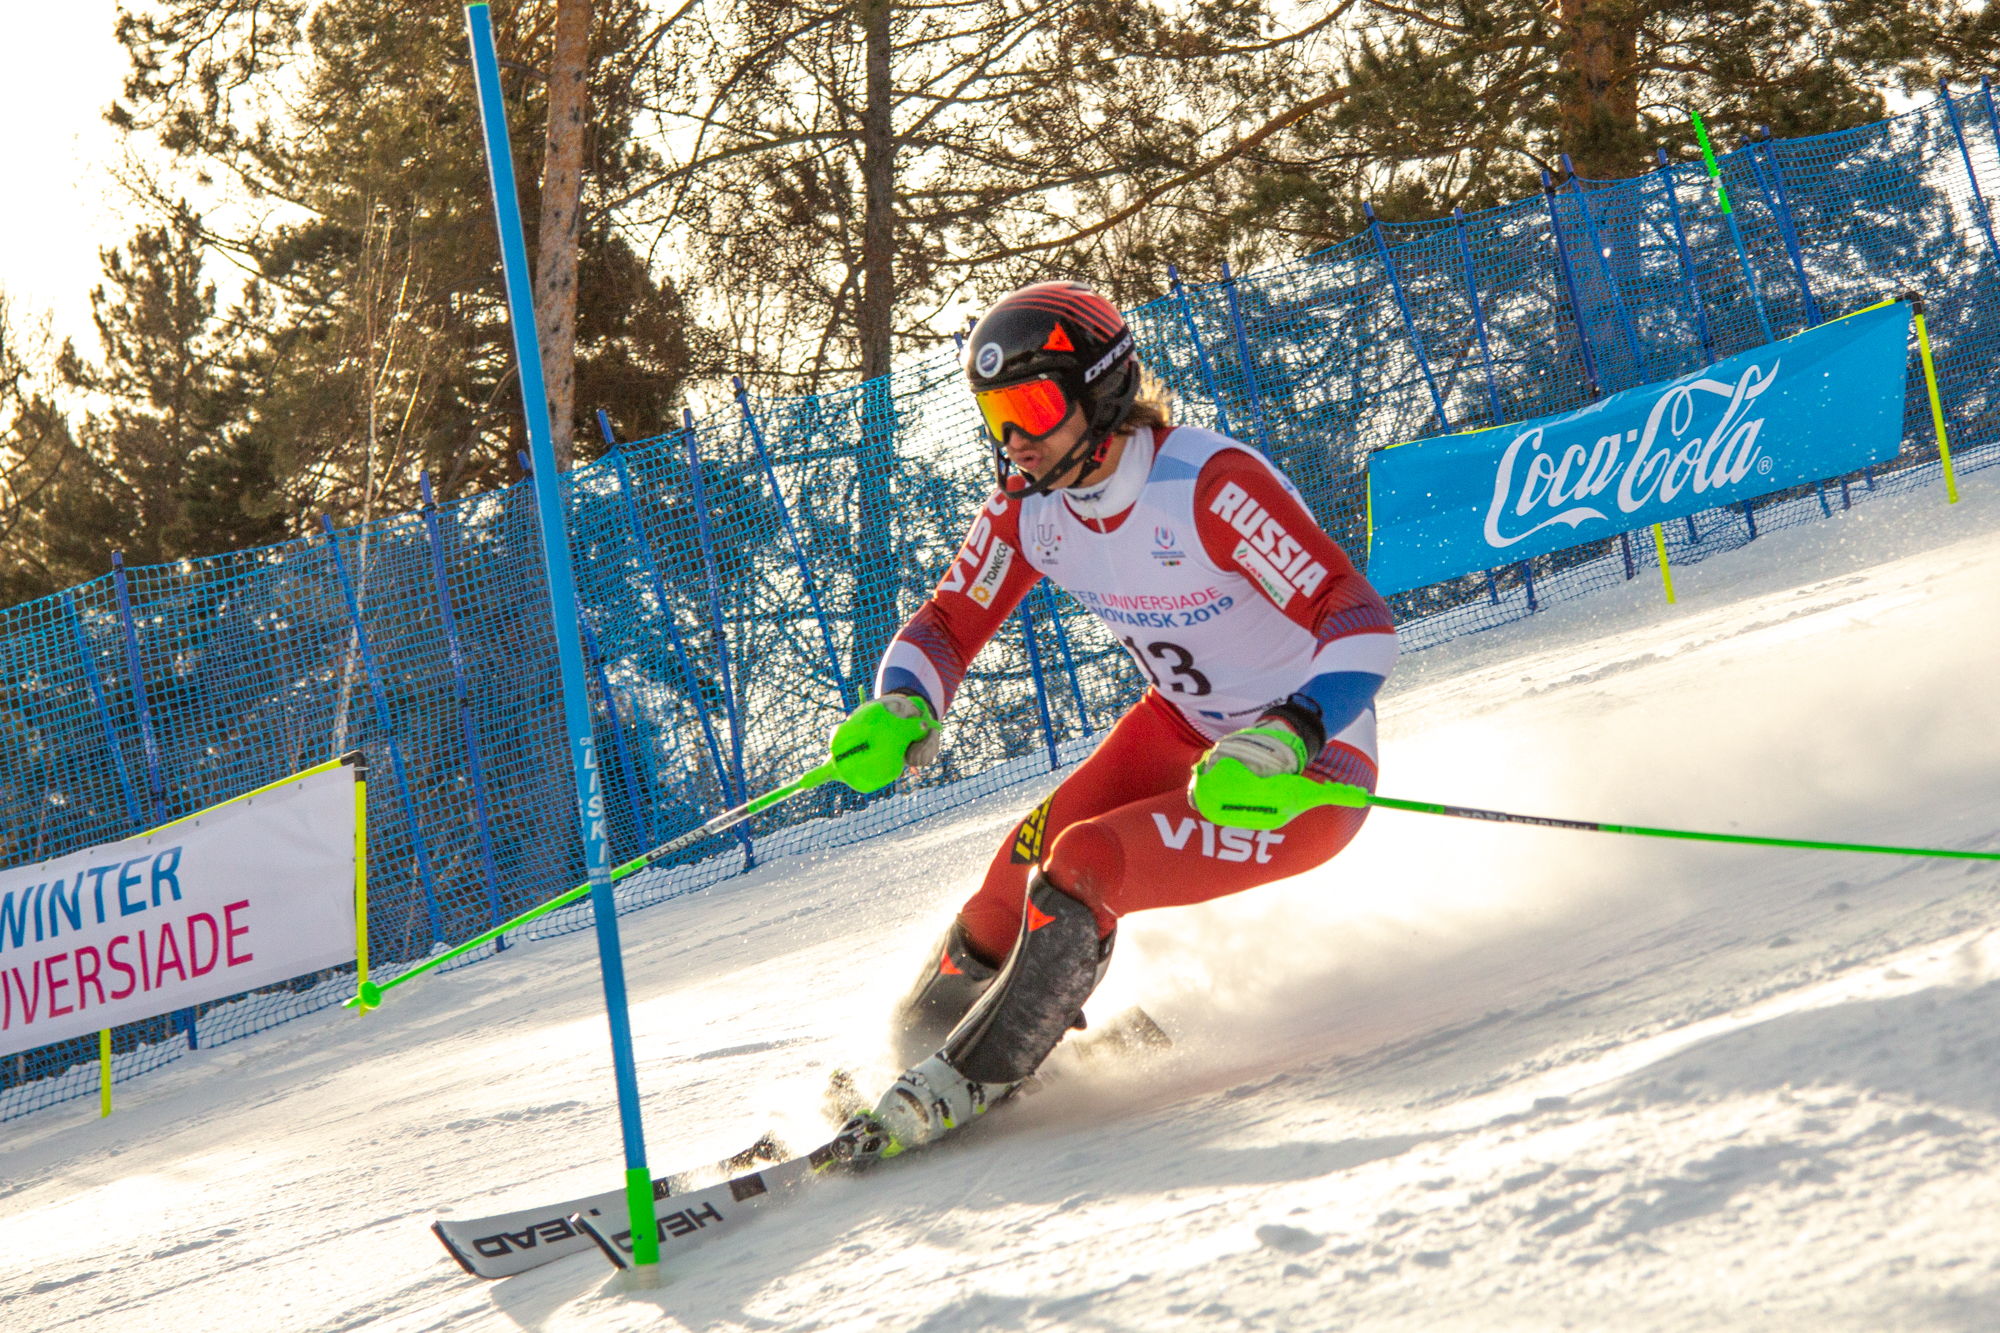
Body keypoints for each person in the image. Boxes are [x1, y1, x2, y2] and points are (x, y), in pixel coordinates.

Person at [824, 281, 1397, 1159]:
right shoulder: (1032, 508)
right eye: (995, 417)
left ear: (1100, 392)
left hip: (1300, 776)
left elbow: (1357, 620)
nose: (1014, 439)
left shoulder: (1205, 486)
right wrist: (902, 705)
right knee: (1001, 892)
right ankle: (904, 1056)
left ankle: (968, 1077)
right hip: (1177, 728)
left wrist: (1291, 736)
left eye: (1032, 407)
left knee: (1084, 865)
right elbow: (947, 622)